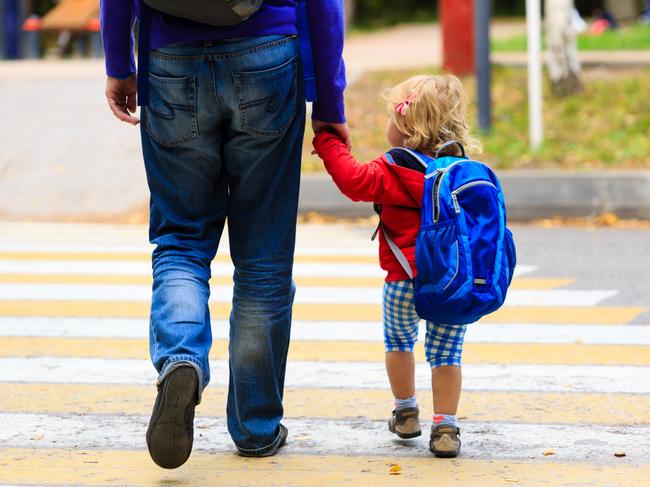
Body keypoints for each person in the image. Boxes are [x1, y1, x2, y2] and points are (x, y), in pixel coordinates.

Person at [100, 0, 348, 468]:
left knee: (181, 240)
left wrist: (119, 62)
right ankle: (255, 428)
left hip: (170, 59)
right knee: (263, 257)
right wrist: (329, 100)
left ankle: (180, 359)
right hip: (268, 54)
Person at [312, 75, 481, 458]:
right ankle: (445, 426)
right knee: (447, 355)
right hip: (452, 284)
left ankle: (406, 410)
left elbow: (353, 181)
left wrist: (327, 142)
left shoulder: (395, 168)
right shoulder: (462, 173)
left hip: (402, 282)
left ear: (405, 127)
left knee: (399, 343)